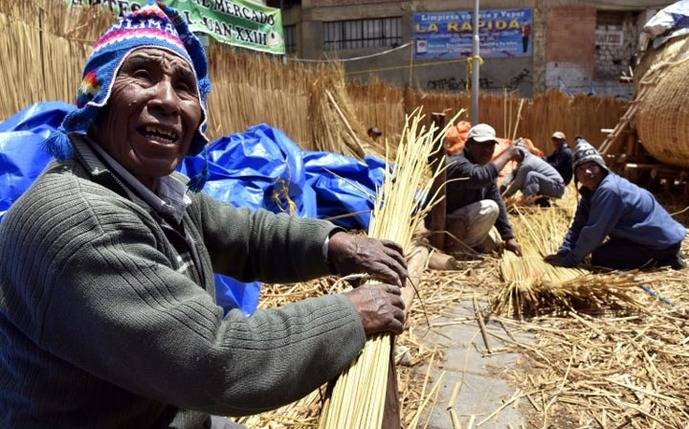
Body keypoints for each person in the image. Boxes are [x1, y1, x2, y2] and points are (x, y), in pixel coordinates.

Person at [0, 4, 409, 428]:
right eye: (142, 75)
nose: (166, 100)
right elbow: (217, 359)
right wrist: (351, 314)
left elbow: (246, 234)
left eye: (184, 87)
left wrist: (334, 244)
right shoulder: (83, 223)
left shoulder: (153, 190)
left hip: (161, 408)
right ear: (97, 97)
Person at [545, 138, 686, 270]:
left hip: (661, 243)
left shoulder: (609, 190)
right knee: (603, 252)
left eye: (591, 166)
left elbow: (594, 232)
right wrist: (564, 251)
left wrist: (570, 261)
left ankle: (664, 259)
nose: (586, 172)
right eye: (580, 169)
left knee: (602, 258)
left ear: (601, 167)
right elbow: (578, 225)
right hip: (648, 237)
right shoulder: (590, 191)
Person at [444, 123, 522, 255]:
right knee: (490, 208)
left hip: (463, 221)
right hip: (444, 226)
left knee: (494, 242)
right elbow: (480, 177)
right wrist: (508, 154)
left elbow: (497, 199)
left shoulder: (483, 168)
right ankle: (457, 249)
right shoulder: (457, 164)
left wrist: (509, 237)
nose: (487, 150)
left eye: (490, 145)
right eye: (482, 145)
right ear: (468, 145)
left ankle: (468, 245)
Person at [502, 138, 565, 203]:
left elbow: (517, 184)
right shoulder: (524, 159)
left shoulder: (527, 164)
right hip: (552, 184)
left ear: (518, 153)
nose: (512, 158)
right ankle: (540, 200)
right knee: (526, 180)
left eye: (513, 155)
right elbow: (514, 173)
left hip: (557, 187)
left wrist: (504, 197)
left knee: (531, 176)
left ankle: (528, 202)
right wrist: (504, 184)